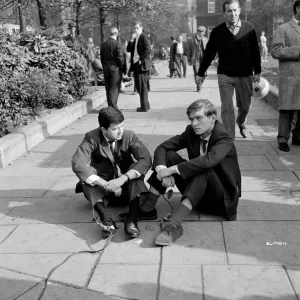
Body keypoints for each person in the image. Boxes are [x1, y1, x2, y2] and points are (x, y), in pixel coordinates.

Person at [132, 99, 241, 246]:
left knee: (203, 168)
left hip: (220, 200)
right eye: (191, 119)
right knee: (169, 156)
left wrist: (171, 170)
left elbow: (208, 161)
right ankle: (147, 207)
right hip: (197, 193)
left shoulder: (223, 138)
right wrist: (162, 170)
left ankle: (174, 225)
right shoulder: (192, 132)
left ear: (212, 118)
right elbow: (162, 148)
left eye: (199, 118)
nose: (194, 123)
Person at [72, 107, 152, 239]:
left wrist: (123, 179)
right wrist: (104, 184)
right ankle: (106, 220)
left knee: (136, 169)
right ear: (103, 129)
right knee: (87, 175)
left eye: (122, 126)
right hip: (102, 193)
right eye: (115, 129)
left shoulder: (129, 135)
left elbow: (146, 158)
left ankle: (131, 219)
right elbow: (78, 163)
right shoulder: (91, 138)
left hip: (127, 191)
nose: (120, 131)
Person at [196, 0, 261, 140]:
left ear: (239, 11)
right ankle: (229, 140)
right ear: (224, 13)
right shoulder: (217, 32)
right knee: (227, 107)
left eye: (235, 10)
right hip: (225, 74)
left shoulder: (249, 28)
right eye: (229, 11)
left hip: (245, 74)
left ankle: (241, 121)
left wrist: (258, 71)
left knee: (244, 107)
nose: (233, 14)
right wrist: (201, 73)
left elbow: (255, 52)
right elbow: (209, 53)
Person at [271, 0, 300, 152]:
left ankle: (298, 136)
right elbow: (276, 50)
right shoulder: (283, 28)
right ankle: (283, 139)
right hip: (290, 76)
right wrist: (297, 51)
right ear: (298, 8)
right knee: (287, 109)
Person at [127, 21, 151, 112]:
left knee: (142, 86)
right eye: (134, 28)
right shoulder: (136, 38)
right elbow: (128, 49)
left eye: (137, 28)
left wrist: (141, 59)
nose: (135, 30)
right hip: (136, 64)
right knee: (139, 85)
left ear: (141, 28)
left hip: (142, 64)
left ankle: (144, 107)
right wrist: (131, 40)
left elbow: (148, 49)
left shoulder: (143, 37)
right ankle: (146, 104)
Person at [100, 27, 125, 110]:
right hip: (115, 69)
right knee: (114, 88)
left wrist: (104, 67)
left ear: (109, 34)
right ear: (117, 34)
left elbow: (102, 58)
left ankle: (110, 106)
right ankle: (114, 108)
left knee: (108, 88)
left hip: (106, 69)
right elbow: (120, 58)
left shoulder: (103, 44)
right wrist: (122, 69)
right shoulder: (117, 44)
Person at [189, 26, 208, 91]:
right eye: (202, 32)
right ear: (198, 32)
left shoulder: (206, 39)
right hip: (195, 59)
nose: (203, 33)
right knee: (197, 72)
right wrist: (189, 59)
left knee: (204, 74)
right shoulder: (192, 40)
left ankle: (200, 82)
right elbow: (189, 50)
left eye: (203, 32)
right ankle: (198, 86)